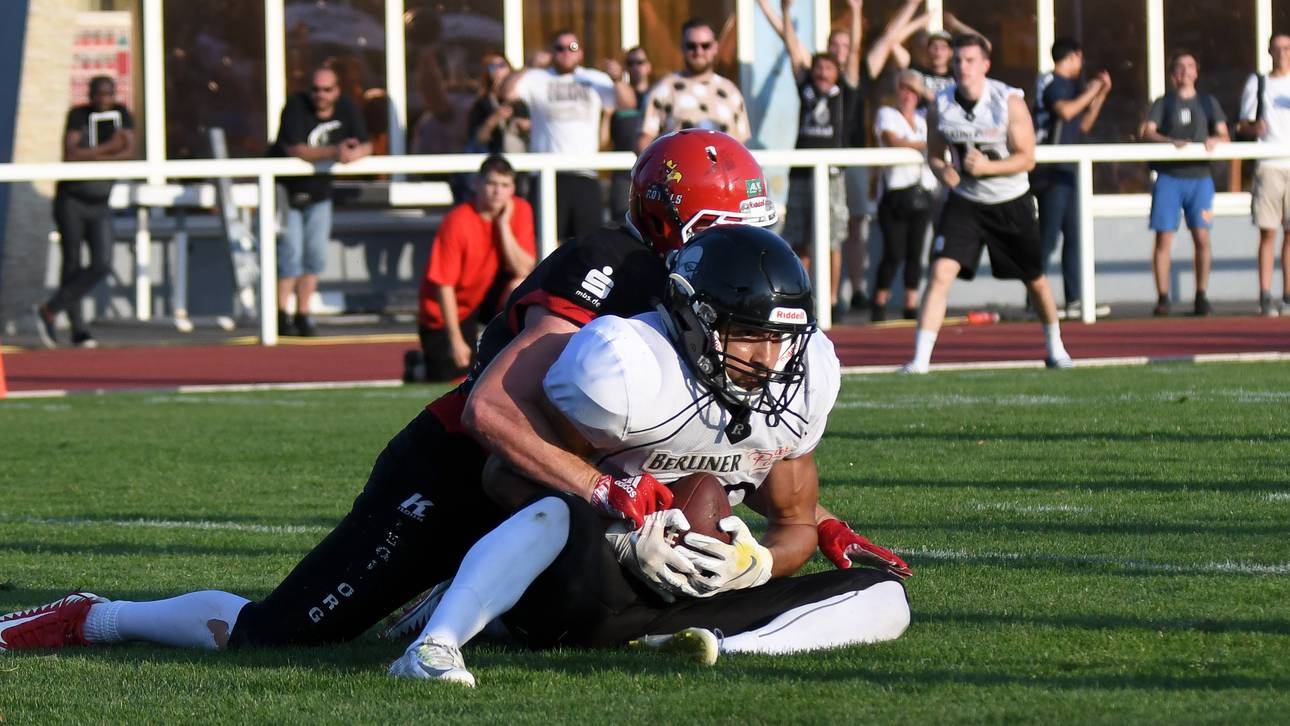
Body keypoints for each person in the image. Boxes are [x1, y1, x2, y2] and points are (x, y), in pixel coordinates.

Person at [1, 131, 883, 664]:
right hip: (463, 465)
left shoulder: (722, 295)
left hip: (572, 483)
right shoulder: (609, 270)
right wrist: (611, 493)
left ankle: (463, 612)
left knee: (628, 596)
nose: (745, 242)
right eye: (725, 224)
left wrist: (798, 518)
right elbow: (499, 414)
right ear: (669, 223)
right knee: (285, 636)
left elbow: (719, 420)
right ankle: (99, 617)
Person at [389, 226, 912, 686]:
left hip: (693, 606)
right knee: (557, 512)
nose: (769, 360)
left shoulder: (803, 381)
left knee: (885, 598)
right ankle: (437, 642)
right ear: (694, 317)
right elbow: (505, 475)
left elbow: (795, 521)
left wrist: (755, 564)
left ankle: (717, 648)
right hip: (594, 589)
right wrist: (618, 535)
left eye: (781, 338)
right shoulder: (627, 366)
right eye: (749, 334)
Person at [902, 35, 1073, 374]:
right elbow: (934, 155)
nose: (963, 67)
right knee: (940, 272)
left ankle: (1056, 347)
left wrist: (988, 168)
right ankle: (919, 360)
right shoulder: (941, 103)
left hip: (1010, 200)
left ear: (985, 65)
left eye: (970, 60)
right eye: (958, 61)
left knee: (1035, 278)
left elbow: (1027, 158)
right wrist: (942, 171)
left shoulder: (1007, 101)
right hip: (966, 202)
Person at [758, 0, 865, 320]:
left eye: (828, 69)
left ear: (837, 72)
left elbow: (856, 51)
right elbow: (792, 46)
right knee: (799, 238)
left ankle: (832, 300)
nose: (822, 73)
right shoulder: (805, 85)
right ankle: (800, 294)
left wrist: (857, 11)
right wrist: (787, 12)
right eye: (818, 68)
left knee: (832, 239)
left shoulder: (846, 89)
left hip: (832, 175)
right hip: (802, 173)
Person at [408, 155, 535, 383]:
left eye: (504, 185)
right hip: (448, 311)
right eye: (491, 184)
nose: (498, 192)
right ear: (477, 184)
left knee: (519, 284)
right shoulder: (458, 221)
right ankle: (418, 364)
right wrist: (456, 341)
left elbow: (524, 267)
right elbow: (443, 285)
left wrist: (503, 226)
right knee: (455, 375)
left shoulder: (521, 210)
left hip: (484, 297)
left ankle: (508, 349)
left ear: (512, 188)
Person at [31, 76, 135, 349]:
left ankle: (50, 309)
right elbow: (72, 153)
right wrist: (108, 149)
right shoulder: (78, 115)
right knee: (72, 262)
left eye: (108, 94)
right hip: (72, 200)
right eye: (98, 94)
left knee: (102, 262)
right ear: (90, 95)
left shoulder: (122, 114)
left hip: (100, 202)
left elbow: (128, 150)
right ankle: (78, 328)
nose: (103, 99)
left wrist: (96, 153)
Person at [270, 65, 371, 337]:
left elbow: (366, 144)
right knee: (289, 253)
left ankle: (304, 313)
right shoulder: (295, 106)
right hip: (287, 190)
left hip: (320, 192)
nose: (320, 95)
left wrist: (355, 153)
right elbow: (295, 149)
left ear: (337, 90)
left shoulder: (346, 107)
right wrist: (334, 151)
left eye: (327, 90)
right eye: (315, 89)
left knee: (314, 255)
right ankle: (281, 315)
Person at [501, 30, 621, 242]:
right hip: (547, 175)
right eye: (560, 48)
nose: (566, 53)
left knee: (588, 245)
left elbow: (627, 103)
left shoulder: (593, 78)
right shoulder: (537, 77)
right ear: (551, 52)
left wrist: (618, 79)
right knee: (546, 244)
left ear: (581, 52)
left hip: (586, 173)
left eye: (572, 48)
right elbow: (506, 92)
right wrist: (529, 65)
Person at [1138, 51, 1229, 317]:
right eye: (1179, 68)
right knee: (1164, 237)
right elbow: (1148, 130)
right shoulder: (1163, 103)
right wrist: (1169, 143)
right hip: (1169, 178)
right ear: (1172, 74)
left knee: (1202, 236)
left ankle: (1201, 295)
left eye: (1190, 66)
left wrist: (1214, 141)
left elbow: (1224, 134)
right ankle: (1163, 297)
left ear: (1196, 72)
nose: (1185, 72)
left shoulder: (1207, 102)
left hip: (1200, 178)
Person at [1032, 37, 1111, 318]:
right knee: (1048, 236)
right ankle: (1034, 301)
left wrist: (1098, 95)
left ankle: (1076, 298)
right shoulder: (1053, 84)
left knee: (1076, 235)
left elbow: (1082, 125)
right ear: (1074, 56)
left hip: (1069, 170)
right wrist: (1091, 91)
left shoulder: (1073, 89)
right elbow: (1065, 111)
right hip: (1051, 171)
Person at [872, 70, 936, 322]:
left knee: (915, 252)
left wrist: (924, 91)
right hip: (895, 194)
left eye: (913, 91)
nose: (908, 95)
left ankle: (911, 304)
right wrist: (925, 145)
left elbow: (940, 116)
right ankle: (879, 302)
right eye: (904, 89)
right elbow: (893, 140)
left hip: (922, 191)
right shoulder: (886, 114)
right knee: (893, 252)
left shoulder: (923, 118)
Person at [636, 18, 752, 151]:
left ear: (715, 47)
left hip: (723, 170)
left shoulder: (730, 91)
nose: (699, 52)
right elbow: (644, 142)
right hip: (679, 170)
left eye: (705, 45)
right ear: (682, 47)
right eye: (692, 46)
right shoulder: (663, 89)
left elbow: (741, 144)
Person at [1237, 33, 1290, 317]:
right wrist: (1253, 129)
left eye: (1287, 48)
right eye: (1277, 48)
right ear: (1269, 51)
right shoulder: (1258, 82)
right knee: (1268, 233)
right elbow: (1241, 124)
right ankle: (1265, 295)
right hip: (1269, 164)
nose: (1282, 53)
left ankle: (1288, 296)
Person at [607, 46, 654, 222]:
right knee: (621, 223)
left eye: (640, 62)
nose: (635, 67)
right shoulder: (616, 96)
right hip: (623, 175)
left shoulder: (660, 95)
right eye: (630, 63)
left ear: (649, 66)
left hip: (652, 174)